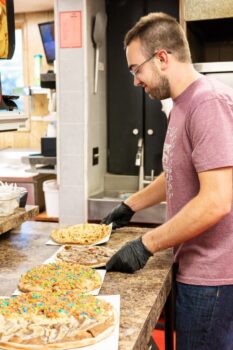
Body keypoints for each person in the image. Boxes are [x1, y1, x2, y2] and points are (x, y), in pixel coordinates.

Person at [102, 12, 233, 350]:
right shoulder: (181, 106)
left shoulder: (208, 103)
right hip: (193, 267)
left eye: (136, 69)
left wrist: (146, 244)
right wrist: (129, 206)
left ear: (162, 58)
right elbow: (176, 172)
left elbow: (217, 200)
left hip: (213, 279)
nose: (135, 80)